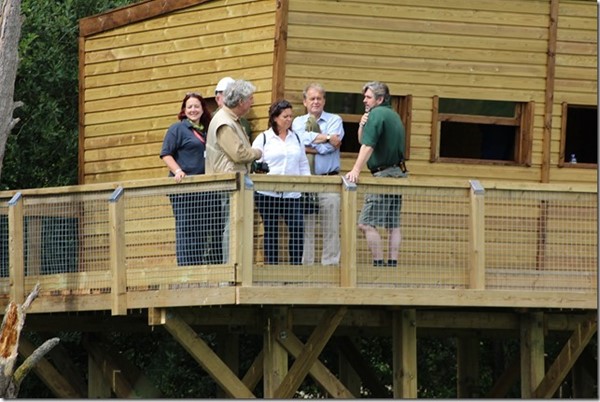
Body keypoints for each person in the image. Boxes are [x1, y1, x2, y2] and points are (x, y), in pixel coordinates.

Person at [345, 81, 407, 267]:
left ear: (380, 99)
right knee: (393, 224)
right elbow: (363, 139)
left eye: (368, 97)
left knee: (365, 223)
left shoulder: (377, 113)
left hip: (383, 175)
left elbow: (368, 145)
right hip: (398, 173)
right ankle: (392, 264)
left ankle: (378, 264)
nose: (364, 100)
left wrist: (356, 169)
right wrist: (361, 125)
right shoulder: (392, 114)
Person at [160, 93, 222, 265]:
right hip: (183, 189)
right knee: (186, 229)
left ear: (203, 109)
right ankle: (186, 270)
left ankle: (199, 269)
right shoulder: (177, 129)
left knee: (202, 229)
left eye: (197, 106)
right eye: (190, 107)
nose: (193, 110)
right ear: (184, 110)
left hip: (204, 189)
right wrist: (178, 171)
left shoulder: (208, 129)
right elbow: (166, 154)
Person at [206, 79, 262, 263]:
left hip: (236, 181)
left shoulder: (231, 119)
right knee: (232, 228)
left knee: (237, 226)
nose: (252, 102)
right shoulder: (224, 122)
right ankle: (230, 270)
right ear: (240, 102)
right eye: (250, 99)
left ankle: (236, 268)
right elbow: (238, 153)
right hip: (230, 182)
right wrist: (257, 152)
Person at [252, 100, 311, 265]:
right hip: (267, 193)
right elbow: (254, 162)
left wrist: (308, 183)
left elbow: (303, 163)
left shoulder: (296, 137)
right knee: (271, 230)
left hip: (292, 194)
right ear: (275, 118)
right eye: (285, 116)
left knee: (297, 228)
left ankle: (295, 268)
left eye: (291, 116)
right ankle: (272, 268)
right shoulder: (263, 138)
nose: (289, 119)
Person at [291, 83, 344, 265]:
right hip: (306, 182)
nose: (315, 102)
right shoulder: (297, 121)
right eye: (312, 98)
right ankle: (307, 267)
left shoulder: (335, 119)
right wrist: (327, 137)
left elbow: (334, 146)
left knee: (331, 226)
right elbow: (300, 141)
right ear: (305, 102)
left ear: (324, 101)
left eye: (319, 98)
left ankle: (330, 265)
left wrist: (313, 146)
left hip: (328, 180)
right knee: (307, 227)